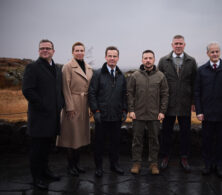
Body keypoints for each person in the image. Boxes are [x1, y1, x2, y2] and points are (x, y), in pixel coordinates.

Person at [22, 39, 64, 190]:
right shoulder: (32, 67)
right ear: (38, 51)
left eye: (48, 48)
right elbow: (28, 90)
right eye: (42, 48)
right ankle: (36, 178)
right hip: (39, 116)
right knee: (37, 149)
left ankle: (45, 172)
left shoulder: (57, 68)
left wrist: (60, 105)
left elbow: (58, 90)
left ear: (53, 50)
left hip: (53, 116)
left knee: (47, 147)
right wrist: (43, 106)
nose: (45, 50)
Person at [194, 42, 222, 179]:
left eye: (217, 51)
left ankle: (218, 166)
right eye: (212, 52)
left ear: (220, 52)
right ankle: (207, 165)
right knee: (206, 141)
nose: (215, 54)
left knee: (221, 142)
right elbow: (197, 92)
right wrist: (199, 111)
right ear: (207, 54)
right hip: (206, 115)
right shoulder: (201, 70)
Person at [158, 35, 197, 172]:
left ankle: (184, 157)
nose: (178, 45)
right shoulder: (163, 61)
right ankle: (165, 156)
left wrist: (193, 102)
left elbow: (194, 83)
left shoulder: (191, 61)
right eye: (176, 43)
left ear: (184, 45)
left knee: (185, 133)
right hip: (168, 104)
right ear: (172, 45)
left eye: (181, 43)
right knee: (166, 132)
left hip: (185, 104)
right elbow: (159, 83)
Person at [88, 46, 128, 177]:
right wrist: (96, 111)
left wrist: (124, 110)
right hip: (102, 116)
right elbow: (92, 93)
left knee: (115, 143)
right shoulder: (98, 74)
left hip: (116, 116)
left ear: (118, 58)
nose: (112, 58)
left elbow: (124, 95)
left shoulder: (121, 75)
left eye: (114, 56)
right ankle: (98, 167)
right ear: (105, 57)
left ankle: (114, 165)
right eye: (109, 56)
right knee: (99, 144)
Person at [127, 50, 168, 175]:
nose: (148, 60)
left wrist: (162, 111)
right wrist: (131, 110)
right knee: (137, 140)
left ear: (154, 60)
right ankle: (136, 163)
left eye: (150, 58)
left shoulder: (160, 76)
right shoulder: (135, 76)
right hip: (138, 114)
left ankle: (153, 164)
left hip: (154, 114)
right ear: (142, 60)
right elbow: (130, 93)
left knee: (154, 140)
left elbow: (165, 95)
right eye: (145, 58)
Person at [56, 42, 93, 176]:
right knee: (72, 137)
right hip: (72, 104)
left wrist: (90, 107)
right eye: (76, 50)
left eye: (81, 50)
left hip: (84, 105)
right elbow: (65, 88)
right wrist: (69, 107)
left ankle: (77, 164)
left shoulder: (88, 68)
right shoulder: (67, 67)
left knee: (80, 137)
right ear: (72, 52)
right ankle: (70, 166)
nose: (79, 52)